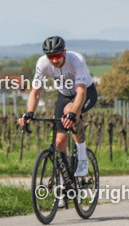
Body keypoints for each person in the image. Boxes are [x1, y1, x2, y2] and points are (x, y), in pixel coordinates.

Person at [18, 35, 97, 176]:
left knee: (69, 111)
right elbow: (35, 92)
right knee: (59, 142)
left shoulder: (76, 60)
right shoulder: (42, 63)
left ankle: (83, 158)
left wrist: (73, 113)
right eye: (51, 56)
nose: (54, 60)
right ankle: (65, 184)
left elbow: (81, 91)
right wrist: (29, 112)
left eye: (58, 56)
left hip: (86, 93)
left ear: (64, 53)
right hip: (64, 96)